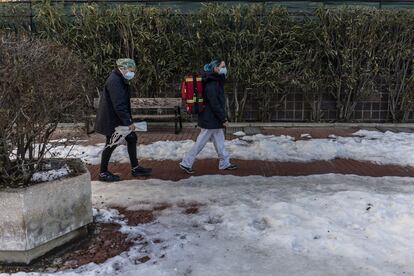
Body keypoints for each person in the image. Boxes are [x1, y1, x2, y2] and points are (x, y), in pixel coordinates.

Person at [95, 58, 152, 182]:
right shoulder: (115, 81)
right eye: (130, 70)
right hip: (113, 121)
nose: (132, 73)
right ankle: (103, 173)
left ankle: (135, 168)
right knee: (110, 144)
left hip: (118, 119)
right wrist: (129, 122)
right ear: (123, 68)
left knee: (132, 138)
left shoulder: (120, 78)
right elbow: (119, 105)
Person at [179, 58, 237, 174]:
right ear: (215, 68)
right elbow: (215, 104)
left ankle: (225, 162)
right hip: (210, 119)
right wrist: (223, 118)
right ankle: (186, 162)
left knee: (220, 141)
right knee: (200, 143)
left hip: (211, 119)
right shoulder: (212, 83)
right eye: (222, 66)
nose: (225, 69)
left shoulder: (214, 80)